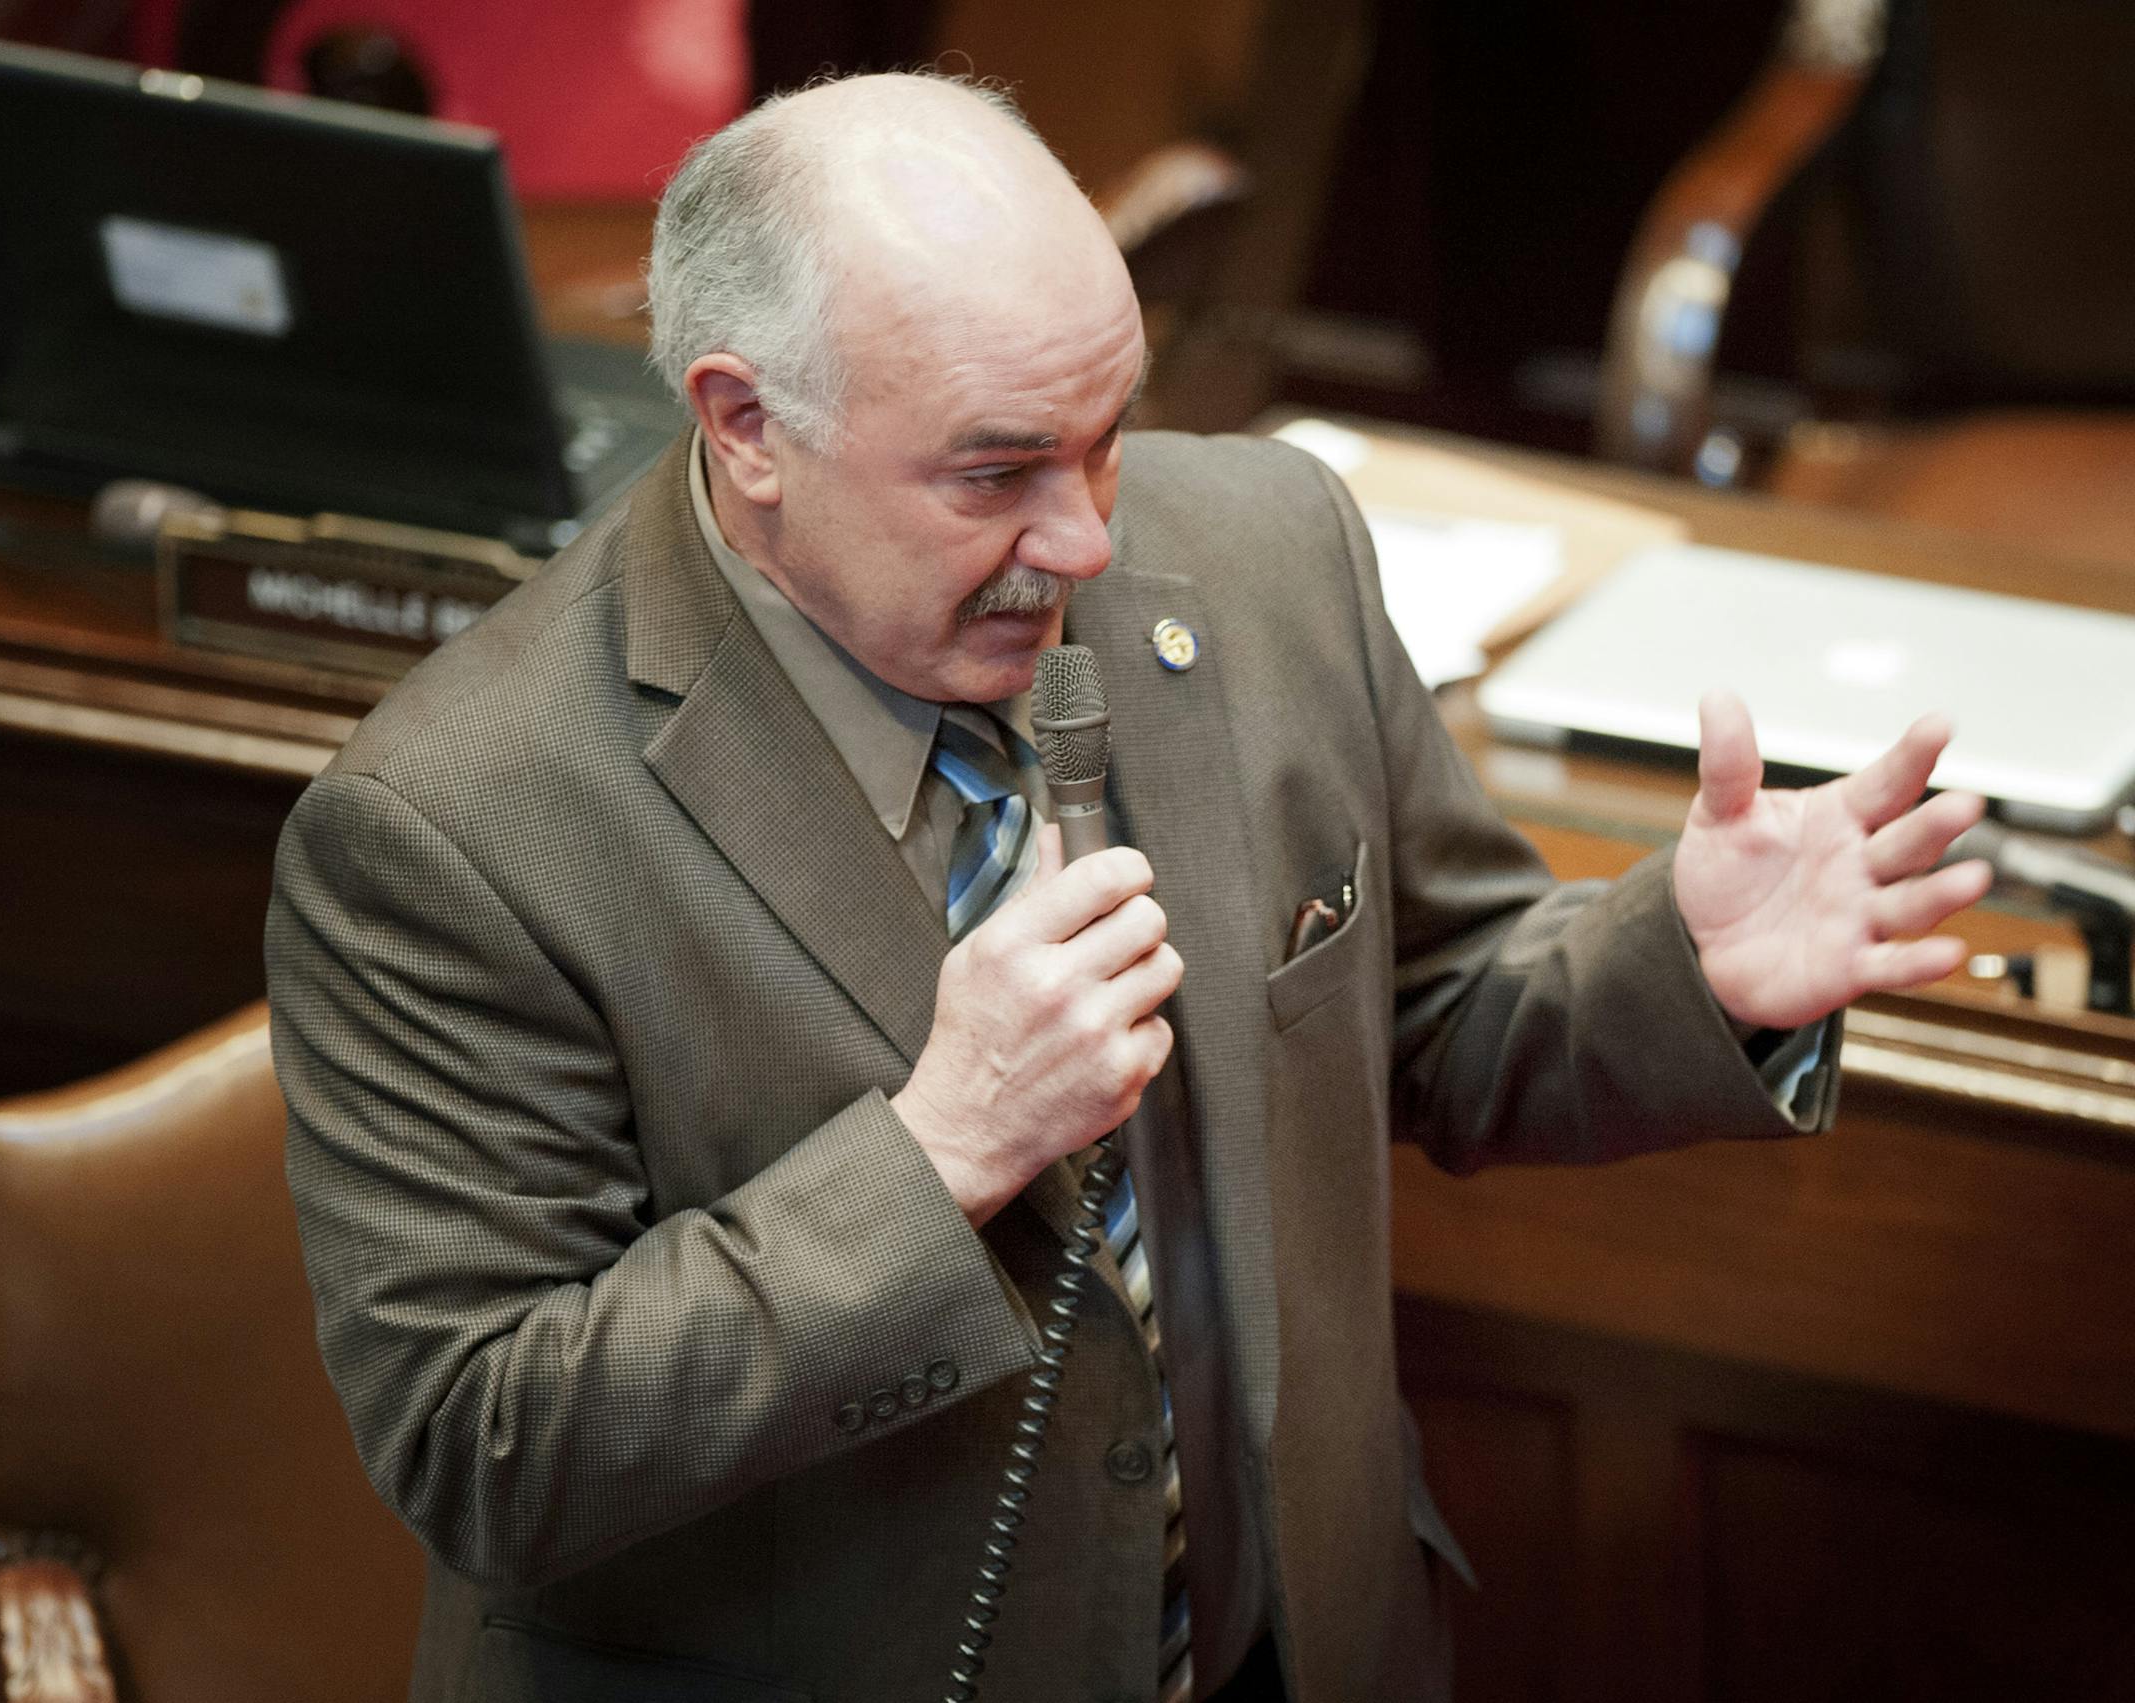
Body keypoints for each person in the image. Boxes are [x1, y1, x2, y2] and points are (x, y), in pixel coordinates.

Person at [265, 72, 1990, 1703]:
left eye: (1109, 438)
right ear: (747, 425)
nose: (1086, 539)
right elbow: (487, 1445)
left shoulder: (1266, 553)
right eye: (997, 470)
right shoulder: (453, 829)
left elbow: (1445, 1012)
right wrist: (939, 1154)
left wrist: (1689, 968)